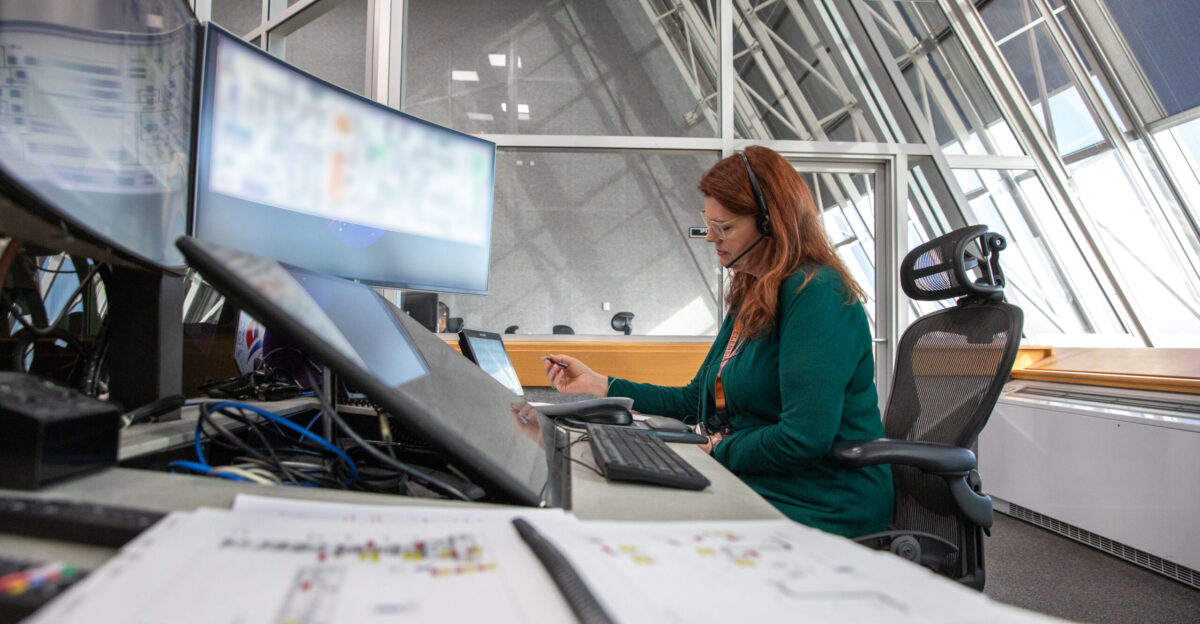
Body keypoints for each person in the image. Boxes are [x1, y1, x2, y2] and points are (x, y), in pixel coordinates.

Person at [543, 146, 893, 538]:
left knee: (648, 519)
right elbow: (697, 400)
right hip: (767, 479)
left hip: (825, 497)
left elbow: (803, 438)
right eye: (708, 223)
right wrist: (599, 385)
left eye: (724, 228)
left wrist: (714, 449)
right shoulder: (754, 294)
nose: (710, 237)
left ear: (770, 223)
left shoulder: (817, 293)